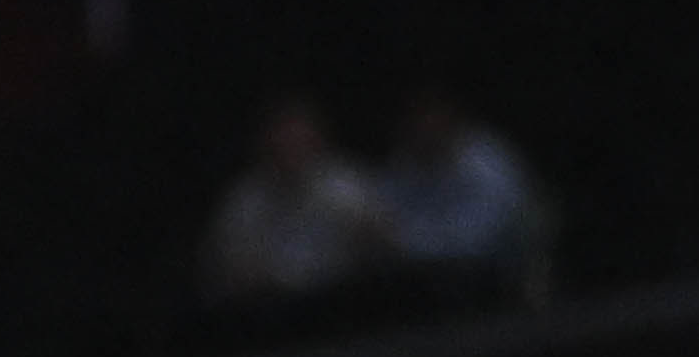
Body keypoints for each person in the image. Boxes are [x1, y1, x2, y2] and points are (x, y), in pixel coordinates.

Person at [200, 94, 395, 303]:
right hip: (272, 314)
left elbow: (389, 248)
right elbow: (226, 274)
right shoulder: (244, 202)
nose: (290, 149)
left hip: (348, 303)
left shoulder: (347, 186)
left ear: (317, 140)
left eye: (298, 139)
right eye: (282, 139)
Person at [372, 86, 552, 301]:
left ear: (449, 117)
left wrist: (402, 242)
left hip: (500, 276)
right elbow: (385, 216)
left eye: (428, 117)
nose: (421, 128)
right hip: (432, 279)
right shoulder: (407, 164)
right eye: (413, 122)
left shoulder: (487, 164)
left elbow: (473, 244)